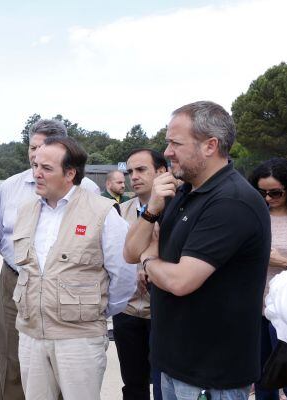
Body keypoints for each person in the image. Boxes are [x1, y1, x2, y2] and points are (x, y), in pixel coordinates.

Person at [124, 101, 271, 400]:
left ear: (210, 146)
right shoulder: (181, 192)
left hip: (212, 375)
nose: (167, 152)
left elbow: (180, 281)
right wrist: (151, 210)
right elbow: (129, 252)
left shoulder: (232, 201)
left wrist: (150, 260)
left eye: (176, 143)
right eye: (168, 143)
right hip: (172, 364)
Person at [13, 136, 136, 400]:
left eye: (46, 168)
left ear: (70, 173)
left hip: (79, 339)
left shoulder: (102, 212)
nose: (36, 174)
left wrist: (93, 311)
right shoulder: (26, 211)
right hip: (31, 335)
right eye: (36, 165)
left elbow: (125, 276)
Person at [0, 119, 101, 399]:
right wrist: (27, 268)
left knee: (66, 365)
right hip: (16, 281)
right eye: (32, 148)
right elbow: (0, 237)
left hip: (70, 289)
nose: (35, 156)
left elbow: (112, 259)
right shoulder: (10, 187)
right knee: (14, 360)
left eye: (43, 149)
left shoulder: (87, 188)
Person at [114, 148, 167, 400]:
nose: (133, 176)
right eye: (129, 171)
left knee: (163, 383)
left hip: (163, 313)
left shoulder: (178, 210)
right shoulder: (118, 212)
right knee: (133, 384)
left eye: (141, 169)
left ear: (161, 171)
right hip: (127, 310)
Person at [249, 157, 287, 400]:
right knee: (262, 379)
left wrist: (282, 262)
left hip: (285, 313)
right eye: (261, 192)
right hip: (255, 307)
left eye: (275, 193)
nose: (268, 199)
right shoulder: (252, 213)